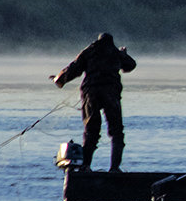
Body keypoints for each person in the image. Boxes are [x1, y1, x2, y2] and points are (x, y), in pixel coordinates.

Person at [52, 33, 137, 172]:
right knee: (116, 132)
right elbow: (130, 65)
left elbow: (73, 68)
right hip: (111, 94)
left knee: (91, 131)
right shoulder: (115, 53)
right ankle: (114, 168)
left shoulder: (89, 51)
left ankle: (85, 166)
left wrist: (59, 79)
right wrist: (124, 54)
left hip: (91, 94)